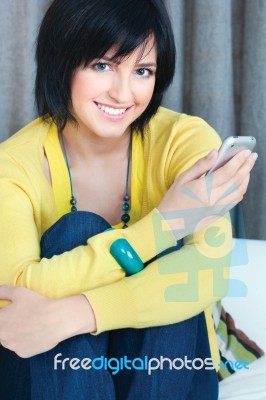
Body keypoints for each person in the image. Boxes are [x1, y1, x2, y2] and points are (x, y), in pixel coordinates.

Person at [0, 0, 257, 399]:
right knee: (77, 229)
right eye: (102, 65)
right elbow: (15, 290)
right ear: (62, 61)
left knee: (175, 263)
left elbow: (205, 277)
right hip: (47, 370)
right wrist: (168, 221)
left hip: (166, 370)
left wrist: (76, 314)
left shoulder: (186, 140)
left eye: (142, 71)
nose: (123, 93)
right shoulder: (13, 163)